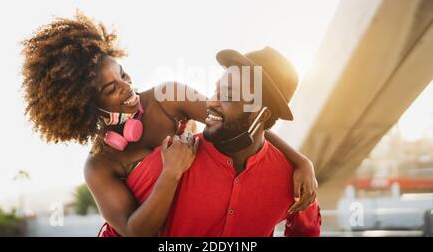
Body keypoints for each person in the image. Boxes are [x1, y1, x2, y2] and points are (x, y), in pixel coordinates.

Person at [21, 12, 318, 237]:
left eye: (123, 75)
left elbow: (236, 122)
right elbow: (136, 231)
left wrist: (300, 161)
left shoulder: (167, 96)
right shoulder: (100, 164)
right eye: (111, 89)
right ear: (84, 105)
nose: (127, 88)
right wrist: (171, 173)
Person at [100, 46, 321, 236]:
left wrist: (302, 162)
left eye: (227, 95)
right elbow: (120, 232)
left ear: (261, 115)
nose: (210, 103)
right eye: (216, 90)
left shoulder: (295, 180)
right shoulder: (170, 160)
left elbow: (307, 231)